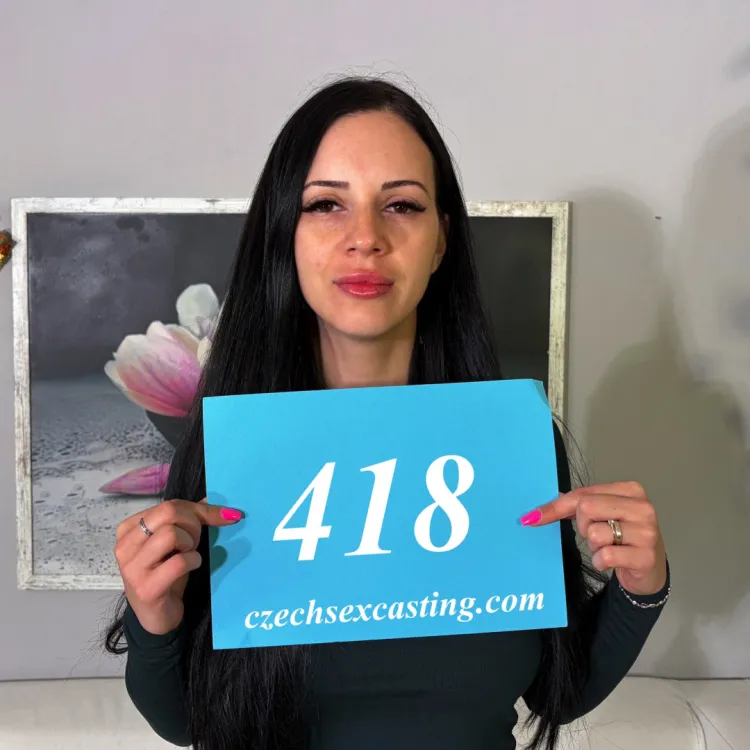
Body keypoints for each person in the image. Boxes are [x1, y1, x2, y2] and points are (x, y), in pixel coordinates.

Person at [105, 76, 670, 750]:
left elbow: (557, 691)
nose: (365, 238)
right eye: (326, 205)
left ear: (441, 241)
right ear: (284, 235)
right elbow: (184, 721)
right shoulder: (231, 452)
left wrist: (641, 587)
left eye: (401, 205)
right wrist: (153, 615)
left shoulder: (510, 442)